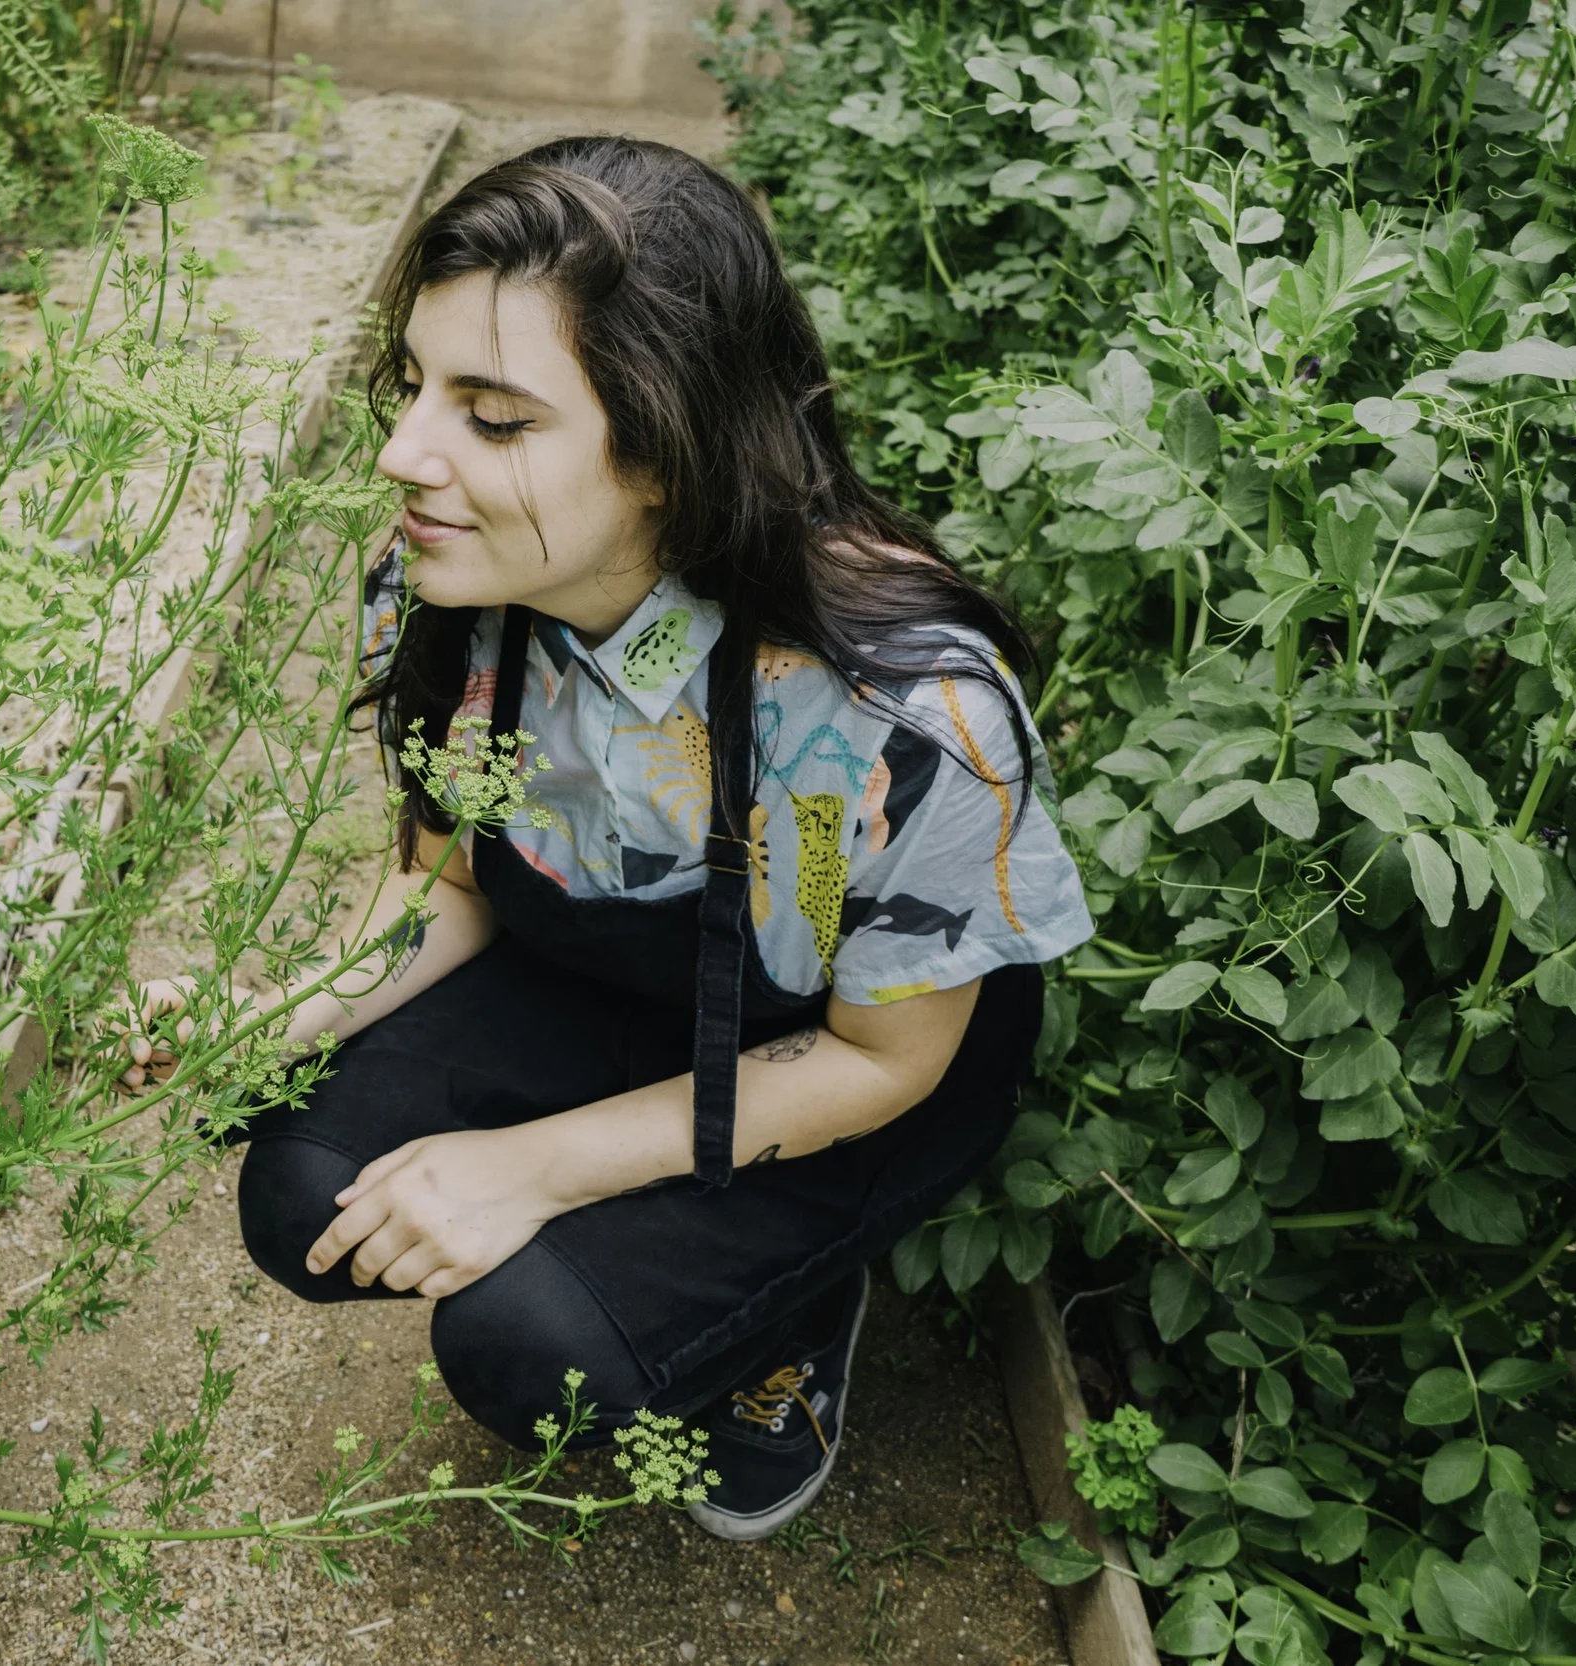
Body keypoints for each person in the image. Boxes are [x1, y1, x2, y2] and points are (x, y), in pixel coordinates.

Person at [129, 137, 1091, 1541]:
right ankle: (676, 1234)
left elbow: (879, 1054)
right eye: (414, 385)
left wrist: (533, 1165)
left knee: (529, 1342)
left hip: (841, 1054)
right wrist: (260, 1010)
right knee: (299, 1180)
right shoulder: (438, 588)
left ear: (662, 449)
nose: (403, 453)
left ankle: (795, 1305)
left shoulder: (894, 711)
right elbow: (451, 875)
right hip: (599, 967)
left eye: (494, 417)